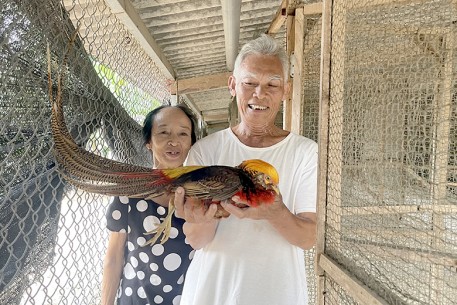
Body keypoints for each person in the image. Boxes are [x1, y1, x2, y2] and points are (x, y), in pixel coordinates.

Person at [174, 34, 318, 305]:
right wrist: (202, 217)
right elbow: (196, 240)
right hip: (213, 292)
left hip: (276, 293)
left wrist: (276, 213)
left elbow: (308, 237)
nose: (259, 94)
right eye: (249, 82)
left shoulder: (305, 152)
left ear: (286, 90)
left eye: (272, 84)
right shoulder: (205, 151)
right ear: (233, 85)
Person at [101, 105, 197, 305]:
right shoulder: (130, 190)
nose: (174, 141)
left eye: (183, 134)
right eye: (163, 132)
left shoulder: (200, 191)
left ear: (191, 143)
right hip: (135, 299)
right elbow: (114, 256)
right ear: (148, 142)